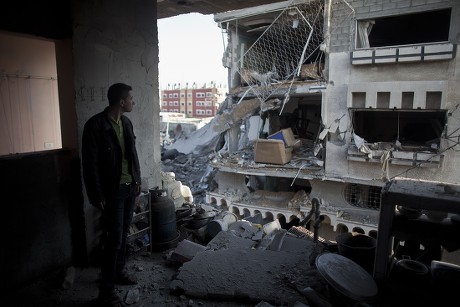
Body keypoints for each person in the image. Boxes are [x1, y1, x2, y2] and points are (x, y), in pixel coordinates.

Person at [82, 83, 141, 307]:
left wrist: (137, 180)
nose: (133, 102)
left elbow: (132, 156)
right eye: (131, 98)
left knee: (123, 235)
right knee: (113, 239)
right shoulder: (95, 125)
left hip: (129, 188)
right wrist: (96, 194)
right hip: (112, 191)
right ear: (121, 102)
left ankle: (117, 273)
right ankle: (105, 292)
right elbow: (90, 164)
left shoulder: (126, 122)